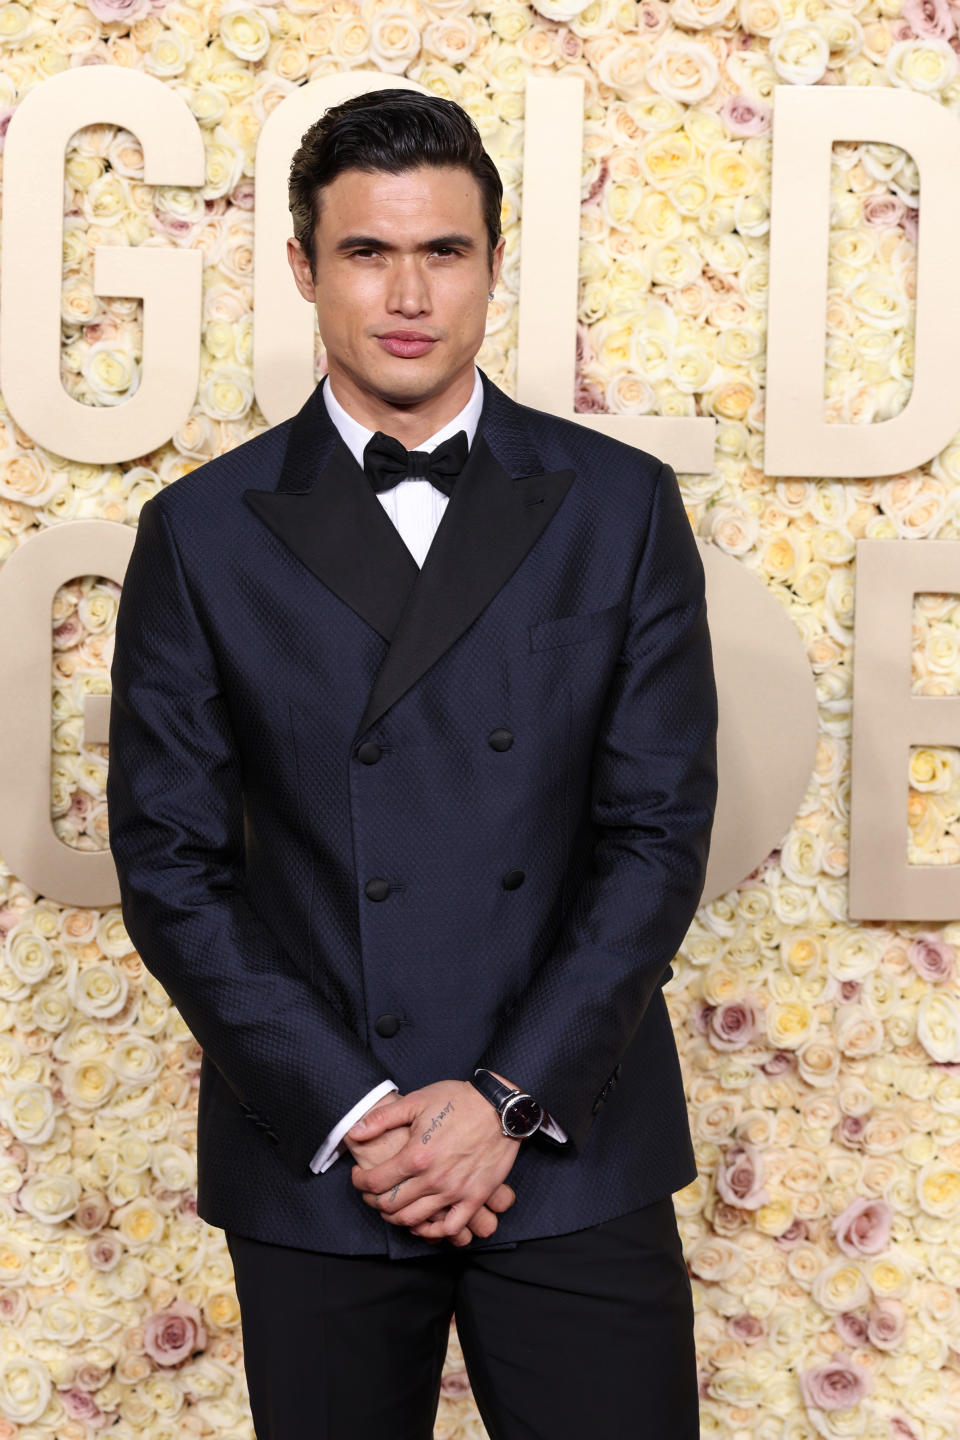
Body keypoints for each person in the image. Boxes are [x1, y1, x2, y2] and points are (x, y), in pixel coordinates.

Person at [107, 87, 718, 1440]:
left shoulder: (618, 506)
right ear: (301, 270)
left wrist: (508, 1099)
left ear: (495, 265)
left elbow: (657, 833)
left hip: (572, 1139)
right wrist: (362, 1111)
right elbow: (172, 862)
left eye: (443, 251)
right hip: (325, 1154)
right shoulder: (204, 534)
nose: (407, 292)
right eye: (367, 252)